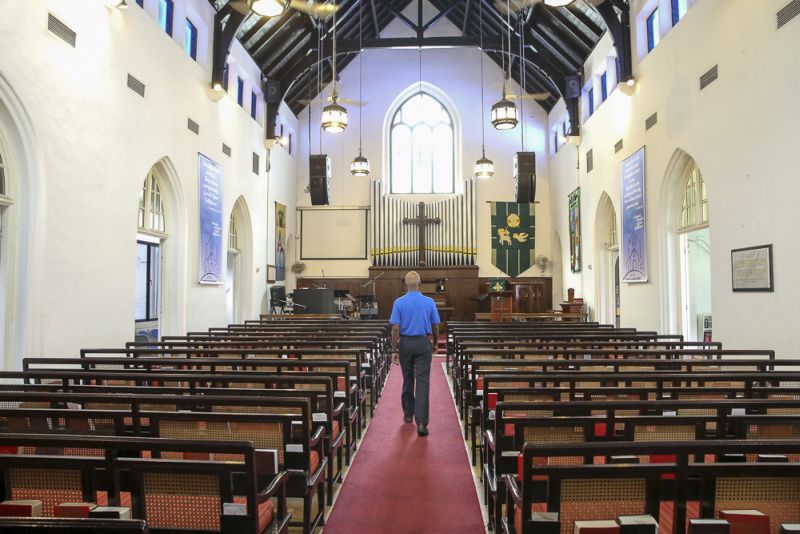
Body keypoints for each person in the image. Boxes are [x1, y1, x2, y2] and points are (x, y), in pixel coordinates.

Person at [389, 271, 440, 436]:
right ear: (420, 284)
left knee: (408, 379)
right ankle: (422, 424)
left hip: (405, 344)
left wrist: (394, 350)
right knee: (423, 383)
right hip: (422, 342)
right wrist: (436, 343)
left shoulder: (399, 302)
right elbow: (436, 327)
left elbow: (395, 328)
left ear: (405, 284)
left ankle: (408, 414)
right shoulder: (429, 301)